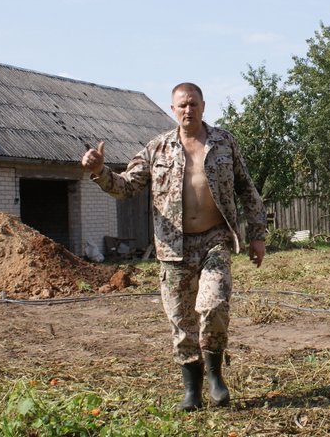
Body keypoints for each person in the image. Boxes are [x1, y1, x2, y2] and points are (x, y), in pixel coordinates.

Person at [81, 82, 266, 412]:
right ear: (173, 109)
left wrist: (257, 235)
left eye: (193, 103)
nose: (188, 110)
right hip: (173, 247)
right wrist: (99, 171)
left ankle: (215, 376)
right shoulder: (157, 148)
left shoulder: (224, 142)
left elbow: (246, 189)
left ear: (203, 106)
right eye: (182, 105)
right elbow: (126, 187)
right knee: (182, 323)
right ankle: (192, 391)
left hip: (214, 240)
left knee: (214, 305)